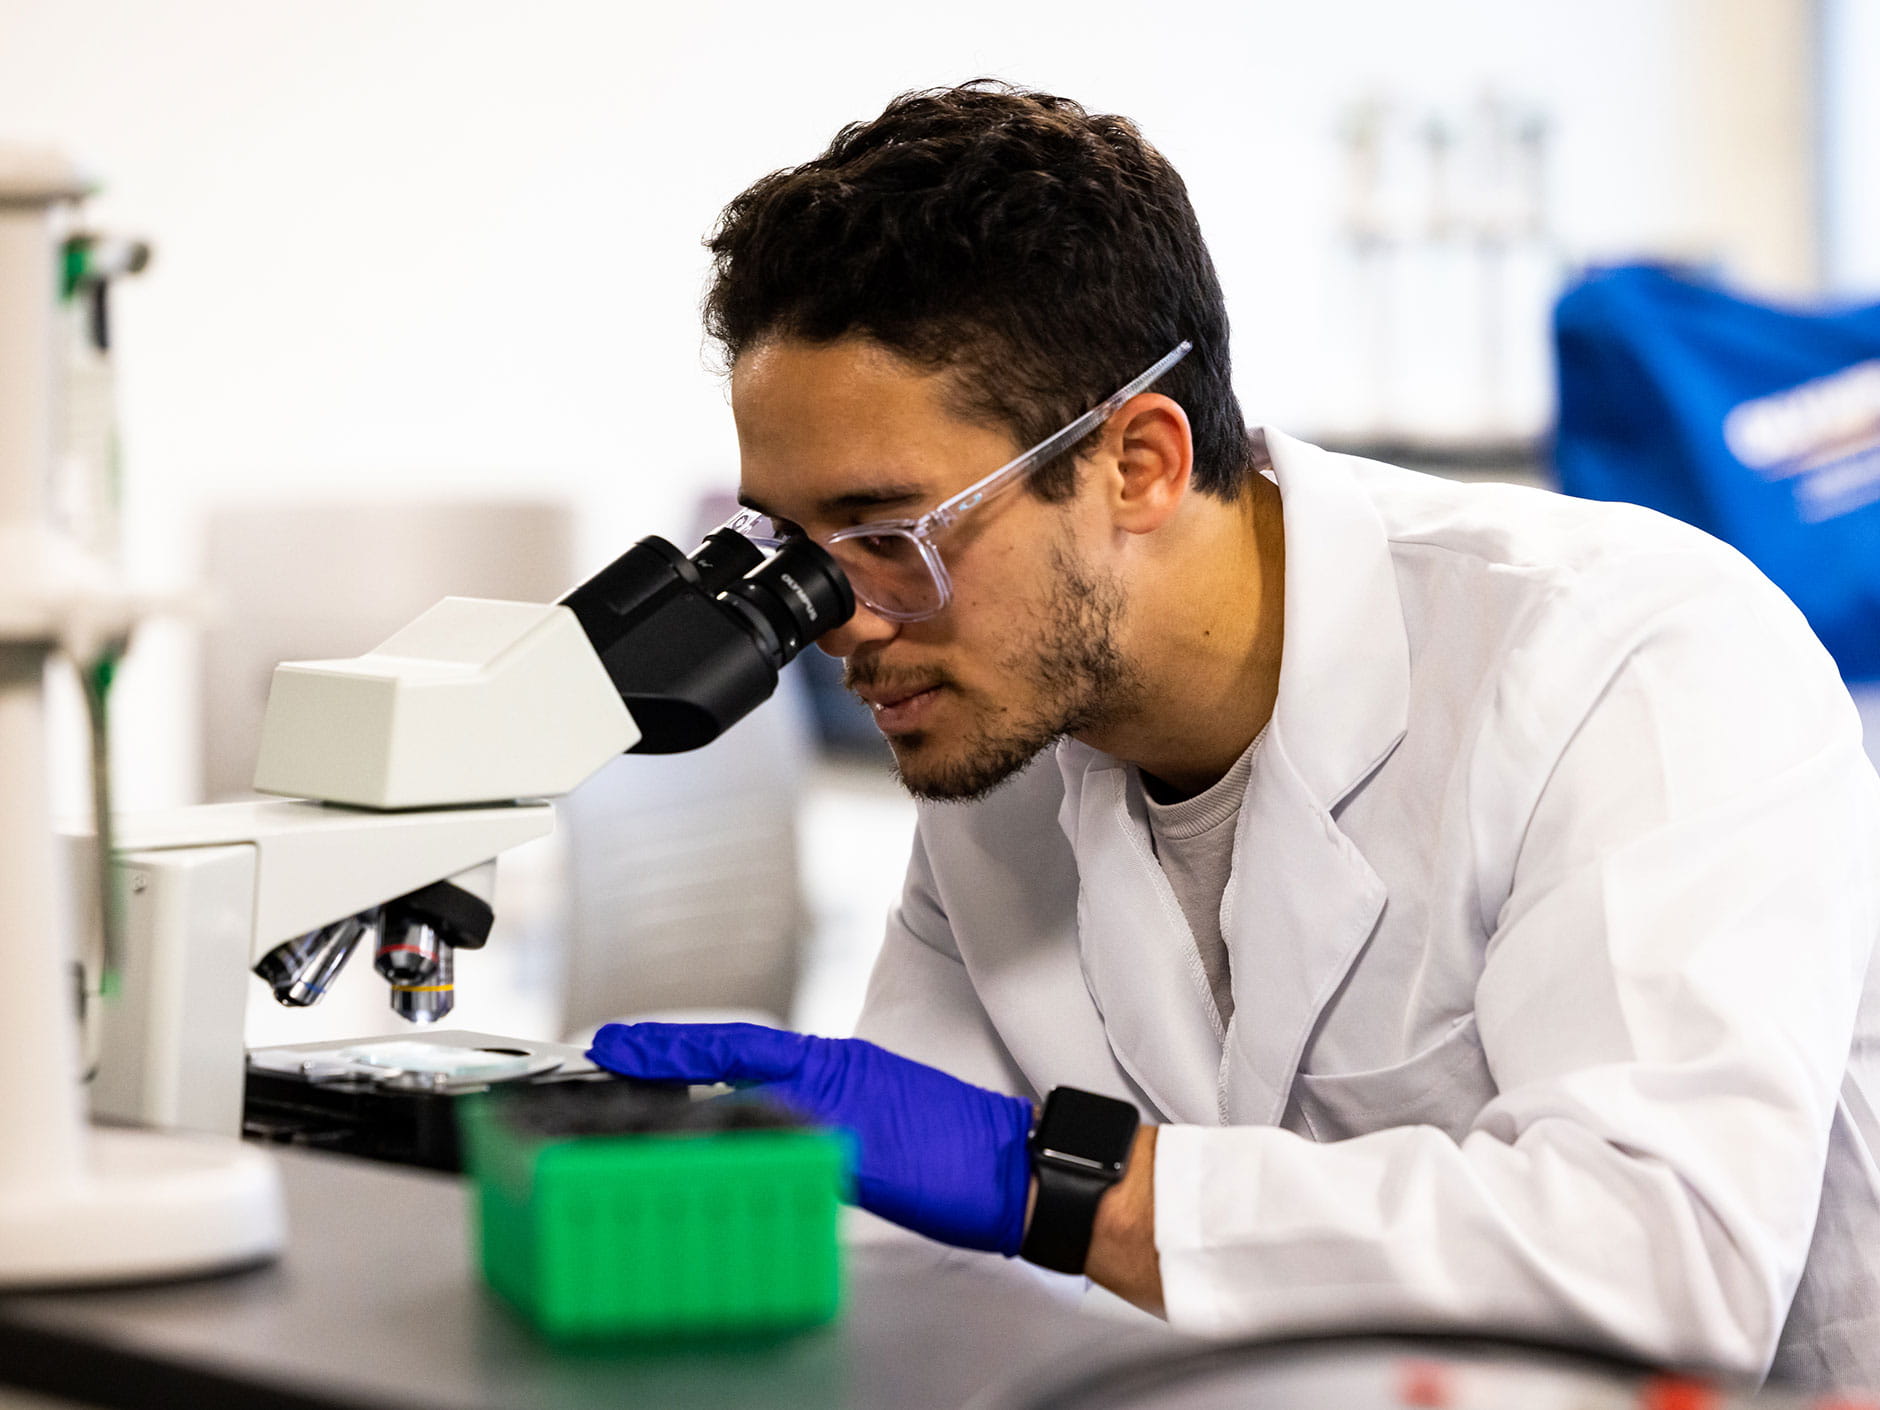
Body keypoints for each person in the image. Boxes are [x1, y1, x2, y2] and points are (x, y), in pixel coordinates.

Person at [587, 82, 1880, 1389]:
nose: (835, 624)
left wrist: (1072, 1190)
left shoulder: (1631, 656)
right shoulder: (1000, 745)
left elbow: (1654, 1273)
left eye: (888, 536)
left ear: (1137, 462)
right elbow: (910, 1250)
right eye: (791, 554)